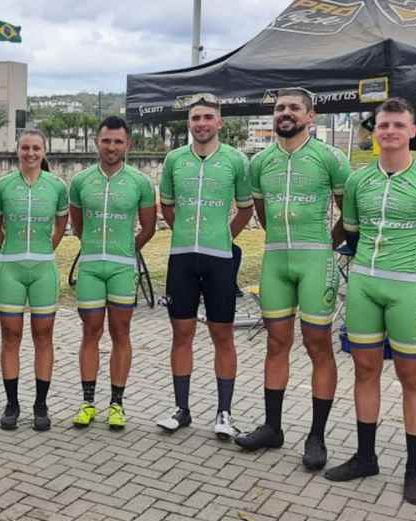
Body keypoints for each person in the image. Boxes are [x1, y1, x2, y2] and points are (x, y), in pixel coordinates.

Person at [328, 97, 416, 506]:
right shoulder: (357, 181)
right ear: (375, 131)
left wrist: (415, 270)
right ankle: (366, 457)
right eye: (383, 125)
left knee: (413, 377)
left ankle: (414, 469)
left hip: (408, 287)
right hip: (364, 285)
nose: (389, 132)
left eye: (398, 125)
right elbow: (351, 234)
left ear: (413, 131)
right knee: (364, 370)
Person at [235, 88, 350, 472]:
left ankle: (316, 435)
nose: (286, 113)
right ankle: (272, 427)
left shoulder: (331, 158)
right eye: (280, 108)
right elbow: (263, 213)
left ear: (310, 115)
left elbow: (348, 215)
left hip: (316, 259)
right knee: (276, 341)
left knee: (318, 344)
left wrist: (323, 245)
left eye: (294, 108)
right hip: (275, 260)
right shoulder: (260, 161)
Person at [153, 95, 253, 438]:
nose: (201, 123)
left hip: (219, 261)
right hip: (182, 258)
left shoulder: (236, 160)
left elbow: (245, 209)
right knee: (181, 334)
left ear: (219, 123)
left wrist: (223, 237)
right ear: (189, 123)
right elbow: (166, 207)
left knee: (222, 335)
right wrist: (183, 232)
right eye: (195, 118)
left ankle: (224, 413)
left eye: (208, 117)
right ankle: (182, 409)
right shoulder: (174, 160)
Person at [68, 116, 156, 430]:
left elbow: (148, 227)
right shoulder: (80, 181)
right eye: (106, 140)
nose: (112, 147)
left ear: (128, 144)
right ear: (96, 142)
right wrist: (93, 246)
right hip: (91, 266)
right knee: (90, 333)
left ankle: (117, 404)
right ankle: (87, 402)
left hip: (122, 268)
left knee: (121, 333)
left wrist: (127, 250)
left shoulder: (140, 182)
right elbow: (77, 225)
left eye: (118, 141)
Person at [0, 129, 69, 431]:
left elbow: (63, 220)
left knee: (43, 336)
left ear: (44, 151)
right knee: (10, 336)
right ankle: (12, 404)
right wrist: (4, 245)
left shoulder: (57, 186)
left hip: (43, 269)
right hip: (10, 267)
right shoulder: (2, 186)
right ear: (17, 150)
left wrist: (53, 242)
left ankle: (40, 404)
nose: (31, 153)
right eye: (26, 148)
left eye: (36, 148)